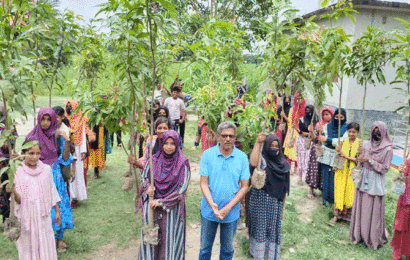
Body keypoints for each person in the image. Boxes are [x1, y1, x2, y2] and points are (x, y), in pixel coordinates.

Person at [198, 122, 250, 260]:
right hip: (209, 211)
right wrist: (212, 205)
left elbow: (245, 186)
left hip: (231, 212)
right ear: (219, 137)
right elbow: (203, 183)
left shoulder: (242, 157)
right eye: (224, 136)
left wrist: (228, 208)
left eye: (231, 136)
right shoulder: (207, 155)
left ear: (235, 138)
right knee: (204, 249)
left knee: (227, 250)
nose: (228, 139)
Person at [26, 107, 74, 253]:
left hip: (55, 177)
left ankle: (59, 238)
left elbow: (65, 159)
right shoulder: (31, 137)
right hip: (37, 177)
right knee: (39, 208)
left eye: (48, 119)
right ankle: (40, 239)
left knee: (58, 206)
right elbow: (27, 159)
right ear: (38, 119)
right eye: (43, 119)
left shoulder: (57, 136)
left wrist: (66, 141)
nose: (45, 123)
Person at [138, 130, 190, 260]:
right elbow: (144, 177)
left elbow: (182, 189)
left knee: (170, 243)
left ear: (177, 144)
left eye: (172, 143)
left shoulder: (183, 163)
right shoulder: (153, 159)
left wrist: (161, 202)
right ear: (161, 143)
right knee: (150, 241)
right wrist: (147, 188)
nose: (169, 146)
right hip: (152, 208)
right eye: (166, 143)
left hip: (172, 210)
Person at [12, 141, 61, 260]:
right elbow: (19, 201)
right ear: (23, 154)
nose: (35, 157)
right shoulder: (18, 171)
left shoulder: (46, 170)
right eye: (31, 153)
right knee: (28, 247)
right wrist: (12, 191)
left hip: (43, 216)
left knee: (45, 244)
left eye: (37, 153)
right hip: (26, 218)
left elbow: (51, 191)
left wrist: (57, 211)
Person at [350, 121, 393, 249]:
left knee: (372, 211)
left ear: (384, 131)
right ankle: (359, 235)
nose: (376, 133)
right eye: (374, 130)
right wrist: (359, 156)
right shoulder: (366, 144)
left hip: (376, 183)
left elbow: (385, 169)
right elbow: (360, 161)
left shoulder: (388, 149)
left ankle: (372, 238)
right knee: (361, 208)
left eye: (378, 130)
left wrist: (370, 160)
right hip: (363, 179)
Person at [248, 133, 290, 260]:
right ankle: (258, 255)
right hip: (259, 202)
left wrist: (281, 208)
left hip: (275, 204)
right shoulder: (263, 160)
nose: (274, 148)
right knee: (259, 229)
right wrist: (258, 142)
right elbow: (253, 162)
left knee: (272, 231)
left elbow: (284, 189)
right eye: (271, 145)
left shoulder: (283, 165)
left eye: (276, 146)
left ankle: (270, 256)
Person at [65, 100, 95, 208]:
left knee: (77, 174)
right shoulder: (64, 119)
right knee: (65, 173)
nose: (69, 108)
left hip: (77, 150)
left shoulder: (80, 119)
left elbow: (83, 135)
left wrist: (83, 152)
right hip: (65, 150)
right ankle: (66, 197)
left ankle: (75, 198)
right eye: (67, 106)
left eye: (71, 106)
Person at [330, 122, 360, 226]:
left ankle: (346, 218)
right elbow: (339, 155)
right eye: (350, 131)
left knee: (350, 193)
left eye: (354, 132)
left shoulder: (359, 145)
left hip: (352, 172)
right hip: (341, 171)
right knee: (339, 191)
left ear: (358, 133)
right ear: (347, 132)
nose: (351, 134)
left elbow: (358, 160)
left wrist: (345, 156)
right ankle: (336, 215)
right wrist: (338, 151)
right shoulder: (343, 142)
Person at [317, 108, 348, 206]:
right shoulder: (327, 126)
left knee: (335, 178)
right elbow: (322, 139)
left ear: (345, 117)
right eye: (337, 117)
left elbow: (342, 141)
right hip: (326, 154)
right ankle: (325, 199)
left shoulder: (346, 128)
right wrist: (322, 135)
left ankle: (334, 200)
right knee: (326, 177)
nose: (339, 119)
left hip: (338, 155)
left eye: (341, 117)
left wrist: (328, 139)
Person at [306, 106, 334, 198]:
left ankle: (323, 190)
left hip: (327, 151)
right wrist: (312, 131)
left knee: (323, 170)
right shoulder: (319, 124)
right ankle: (311, 189)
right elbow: (314, 138)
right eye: (324, 114)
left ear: (332, 115)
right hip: (316, 150)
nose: (325, 116)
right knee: (314, 169)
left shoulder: (333, 127)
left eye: (327, 114)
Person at [391, 159, 410, 260]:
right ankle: (397, 253)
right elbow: (403, 175)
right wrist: (401, 171)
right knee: (400, 226)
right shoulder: (409, 162)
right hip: (406, 200)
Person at [283, 93, 306, 174]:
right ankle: (288, 168)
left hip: (299, 132)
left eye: (301, 98)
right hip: (292, 131)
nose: (299, 100)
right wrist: (292, 124)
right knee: (289, 149)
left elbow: (304, 122)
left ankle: (296, 168)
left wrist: (299, 125)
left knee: (297, 151)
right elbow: (289, 120)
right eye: (297, 98)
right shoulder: (292, 109)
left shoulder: (304, 110)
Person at [295, 105, 316, 184]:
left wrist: (307, 133)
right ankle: (299, 177)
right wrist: (306, 133)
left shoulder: (315, 121)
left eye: (309, 110)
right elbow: (301, 132)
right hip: (301, 141)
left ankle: (307, 178)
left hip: (310, 142)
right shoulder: (302, 119)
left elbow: (314, 133)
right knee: (300, 158)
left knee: (307, 159)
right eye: (306, 110)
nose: (308, 112)